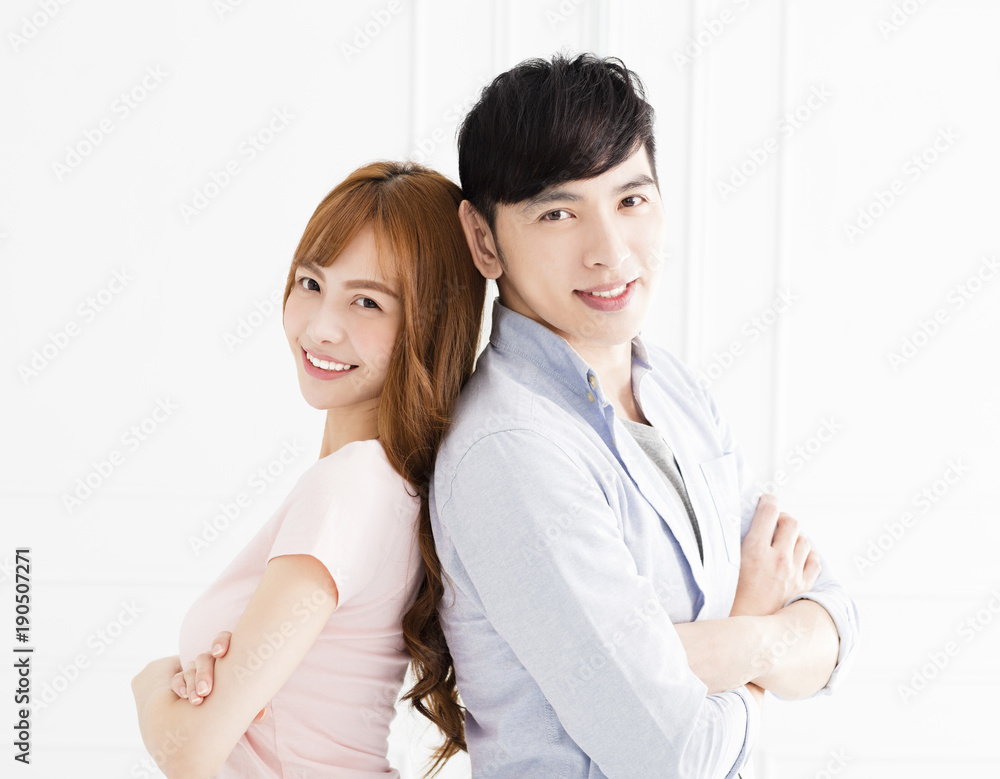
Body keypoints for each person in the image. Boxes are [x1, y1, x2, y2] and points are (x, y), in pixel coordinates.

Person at [428, 53, 860, 777]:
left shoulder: (675, 393)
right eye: (559, 212)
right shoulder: (511, 450)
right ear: (483, 238)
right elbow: (672, 754)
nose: (611, 251)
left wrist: (730, 643)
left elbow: (840, 623)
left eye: (631, 200)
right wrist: (761, 621)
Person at [131, 160, 486, 778]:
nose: (321, 327)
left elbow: (187, 752)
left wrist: (151, 681)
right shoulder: (391, 486)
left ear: (427, 325)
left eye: (368, 302)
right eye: (311, 283)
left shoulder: (350, 487)